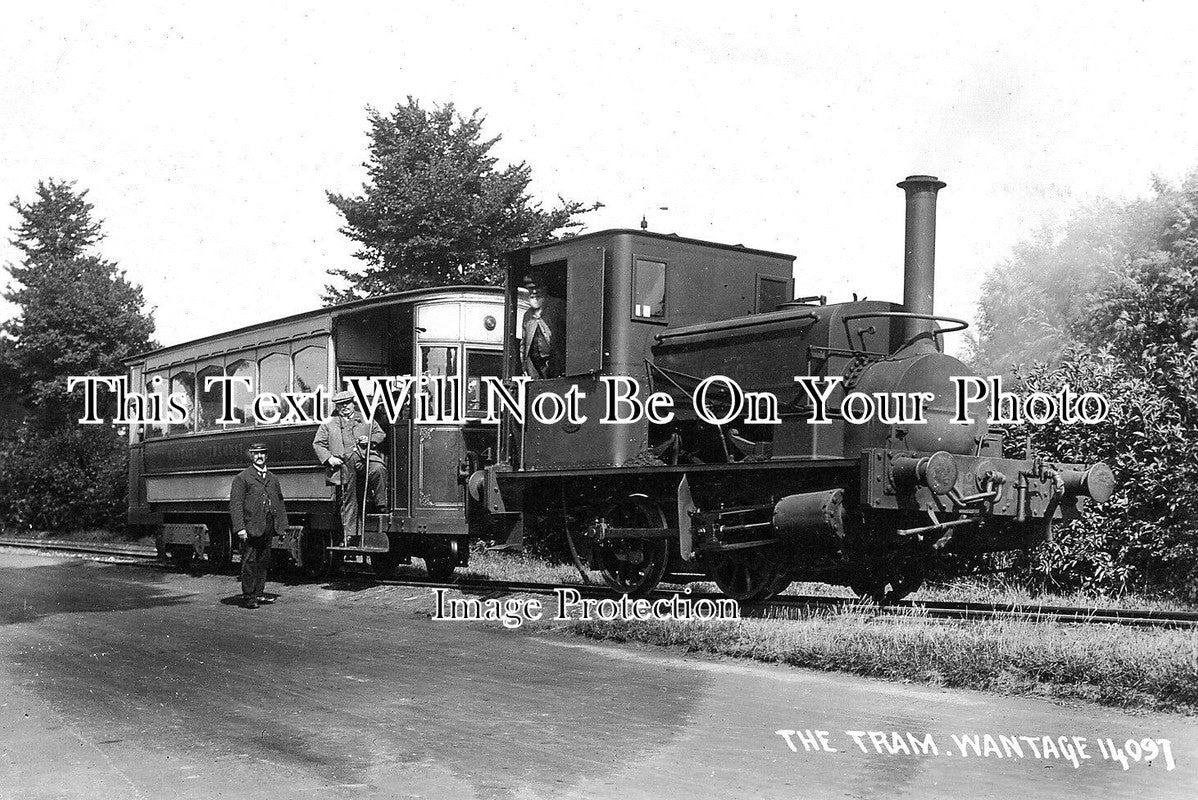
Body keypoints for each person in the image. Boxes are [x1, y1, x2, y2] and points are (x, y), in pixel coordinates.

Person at [312, 390, 387, 539]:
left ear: (353, 404)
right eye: (341, 404)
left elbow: (381, 434)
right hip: (344, 464)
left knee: (379, 468)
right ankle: (351, 534)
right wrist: (329, 458)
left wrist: (370, 439)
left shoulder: (365, 419)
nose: (345, 406)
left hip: (365, 459)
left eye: (347, 403)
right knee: (349, 497)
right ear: (337, 407)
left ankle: (381, 504)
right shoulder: (329, 423)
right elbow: (318, 444)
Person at [229, 443, 288, 609]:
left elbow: (279, 502)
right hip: (251, 526)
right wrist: (240, 528)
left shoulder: (272, 478)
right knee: (249, 561)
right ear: (251, 456)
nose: (259, 456)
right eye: (256, 453)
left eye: (262, 453)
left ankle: (259, 593)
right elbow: (236, 505)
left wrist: (282, 526)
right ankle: (249, 596)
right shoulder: (242, 478)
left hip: (268, 524)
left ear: (266, 456)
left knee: (263, 560)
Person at [520, 273, 566, 379]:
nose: (534, 292)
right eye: (530, 289)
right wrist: (524, 365)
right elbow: (524, 342)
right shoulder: (527, 315)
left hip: (555, 364)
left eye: (537, 288)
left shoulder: (558, 305)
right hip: (535, 366)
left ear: (544, 288)